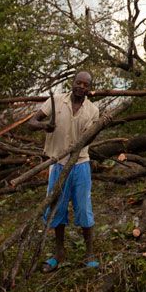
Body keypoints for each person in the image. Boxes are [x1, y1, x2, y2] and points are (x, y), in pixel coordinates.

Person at [27, 71, 99, 271]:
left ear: (89, 88)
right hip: (57, 163)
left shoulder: (93, 110)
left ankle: (89, 253)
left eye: (86, 85)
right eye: (78, 83)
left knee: (84, 208)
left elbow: (90, 138)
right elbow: (31, 123)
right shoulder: (56, 101)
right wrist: (45, 126)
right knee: (56, 209)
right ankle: (59, 253)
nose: (81, 87)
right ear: (72, 83)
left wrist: (99, 128)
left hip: (81, 164)